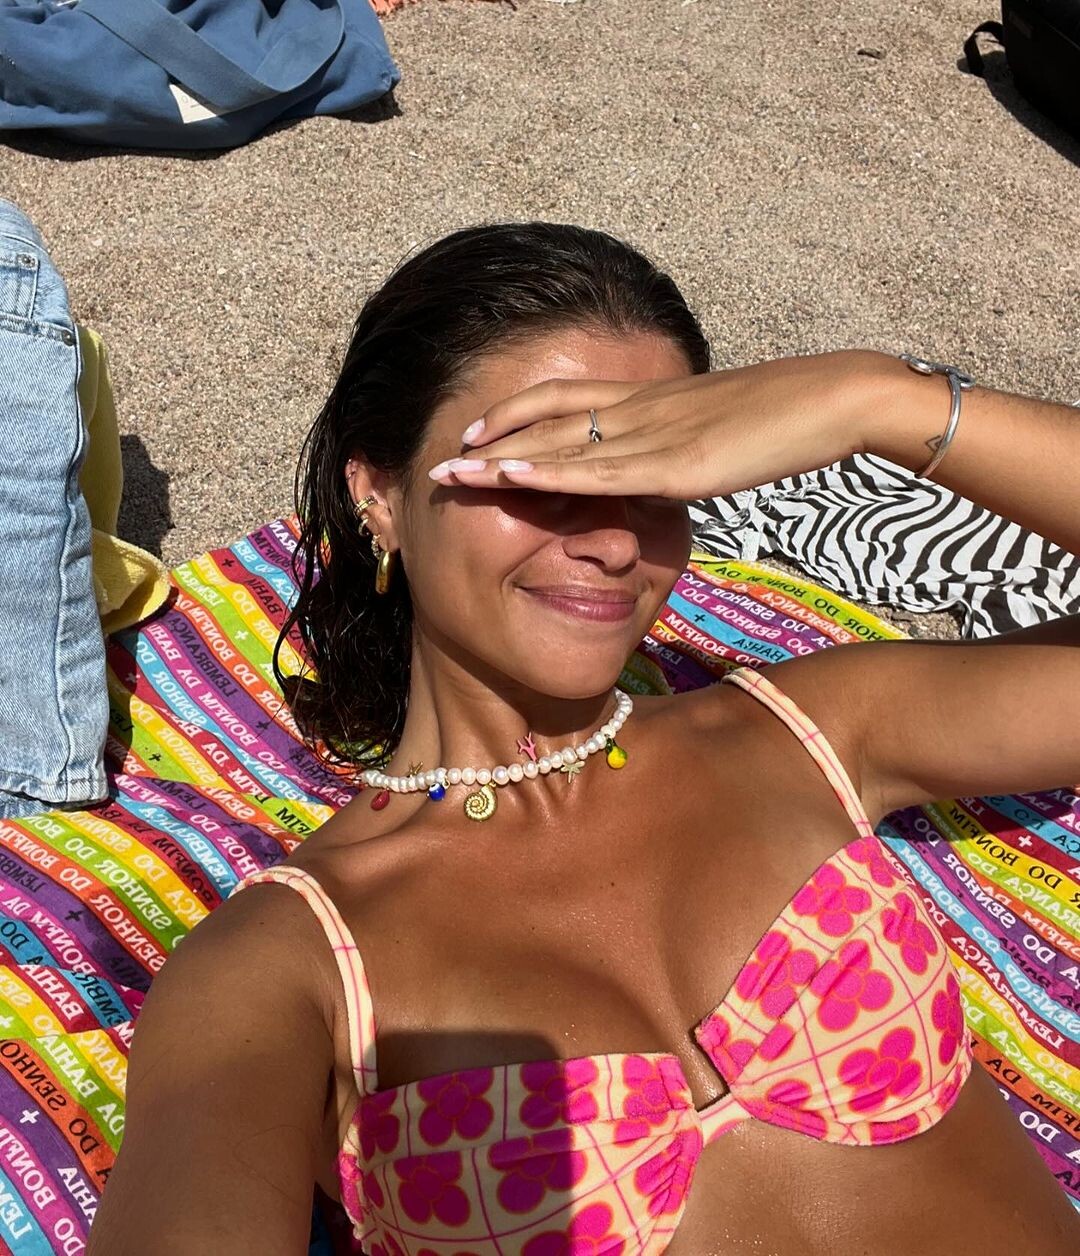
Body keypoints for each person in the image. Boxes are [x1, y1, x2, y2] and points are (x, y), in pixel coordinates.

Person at [87, 223, 1078, 1255]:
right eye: (539, 472)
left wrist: (879, 400)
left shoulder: (809, 728)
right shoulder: (284, 968)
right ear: (377, 492)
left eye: (652, 481)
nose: (612, 541)